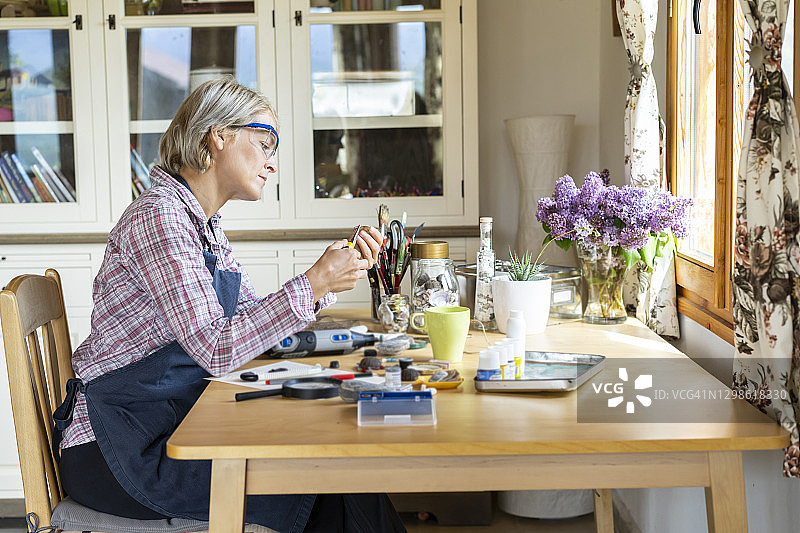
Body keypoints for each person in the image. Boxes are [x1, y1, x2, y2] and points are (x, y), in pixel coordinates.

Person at [52, 77, 406, 533]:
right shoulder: (159, 218)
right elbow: (217, 348)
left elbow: (251, 321)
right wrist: (314, 281)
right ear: (218, 135)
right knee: (322, 480)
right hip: (121, 446)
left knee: (332, 467)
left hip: (169, 423)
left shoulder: (203, 225)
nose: (272, 163)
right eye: (265, 143)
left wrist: (328, 281)